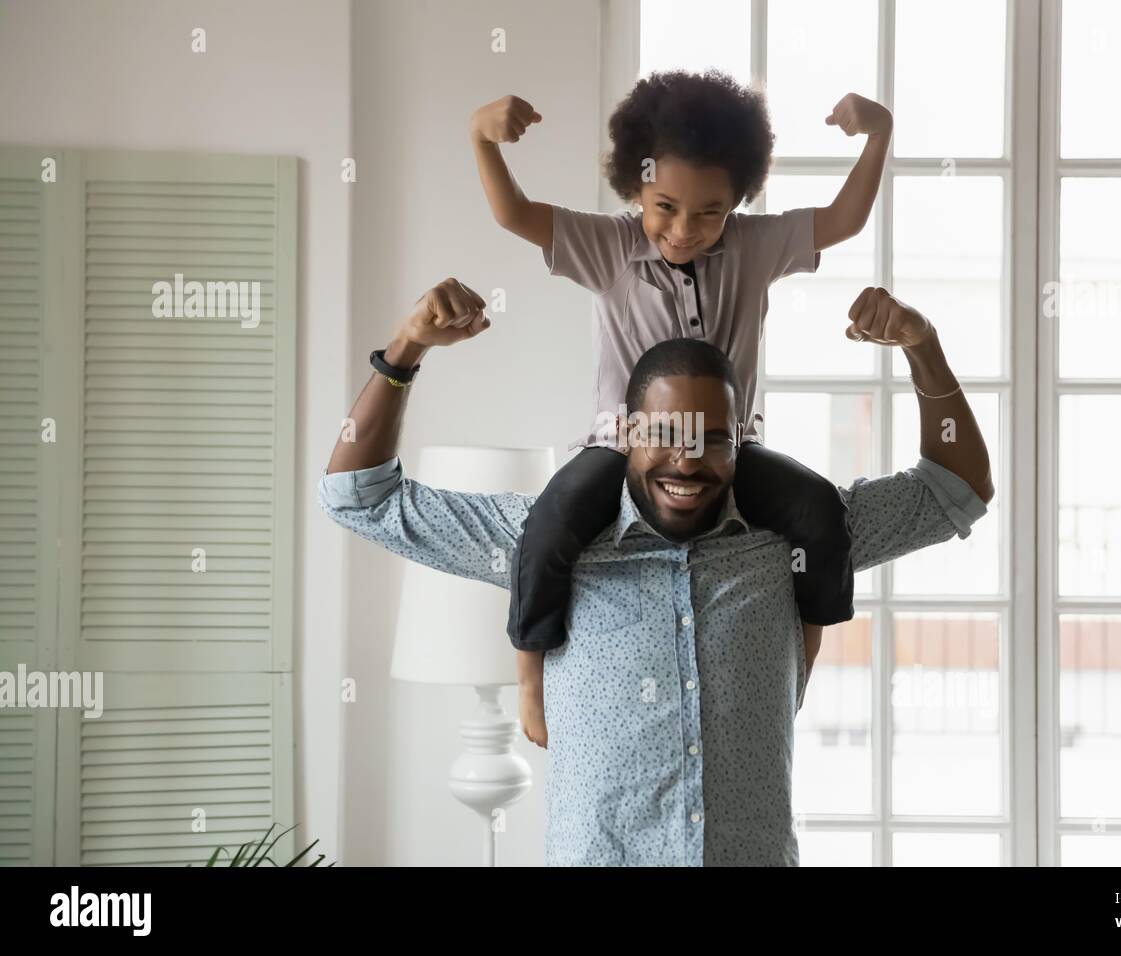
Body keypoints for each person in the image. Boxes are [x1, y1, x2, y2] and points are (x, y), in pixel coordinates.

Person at [319, 277, 994, 865]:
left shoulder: (792, 540)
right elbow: (359, 496)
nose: (687, 461)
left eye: (711, 439)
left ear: (740, 443)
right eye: (665, 435)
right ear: (627, 435)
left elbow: (957, 488)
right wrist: (405, 350)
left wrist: (923, 345)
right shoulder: (545, 540)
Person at [468, 70, 895, 747]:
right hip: (624, 447)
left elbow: (843, 220)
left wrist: (879, 137)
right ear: (633, 186)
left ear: (737, 201)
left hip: (732, 451)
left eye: (709, 212)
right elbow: (515, 214)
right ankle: (528, 673)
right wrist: (483, 140)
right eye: (664, 206)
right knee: (548, 524)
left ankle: (803, 661)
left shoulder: (755, 248)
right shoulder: (607, 248)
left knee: (820, 513)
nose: (685, 229)